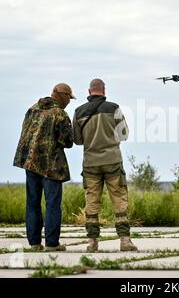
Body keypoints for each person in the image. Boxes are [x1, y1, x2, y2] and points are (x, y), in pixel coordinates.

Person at [73, 78, 137, 252]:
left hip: (90, 163)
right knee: (119, 200)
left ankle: (92, 242)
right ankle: (125, 240)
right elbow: (124, 135)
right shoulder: (114, 108)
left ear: (89, 91)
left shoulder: (79, 112)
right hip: (113, 161)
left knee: (92, 202)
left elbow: (77, 140)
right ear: (104, 90)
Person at [13, 83, 75, 251]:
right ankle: (52, 244)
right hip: (51, 166)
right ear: (62, 95)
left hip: (30, 164)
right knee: (53, 204)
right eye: (69, 97)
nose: (69, 101)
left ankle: (34, 243)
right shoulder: (60, 114)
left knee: (32, 203)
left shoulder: (32, 109)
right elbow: (68, 142)